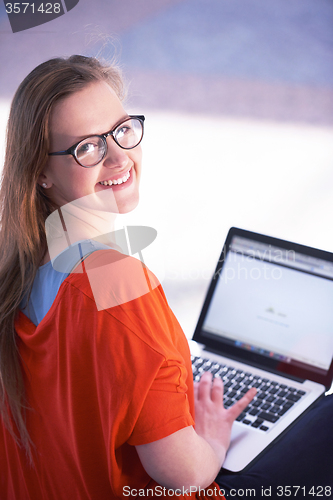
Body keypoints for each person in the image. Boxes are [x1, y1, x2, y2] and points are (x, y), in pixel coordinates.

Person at [0, 55, 332, 500]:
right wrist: (211, 435)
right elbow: (186, 475)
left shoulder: (15, 266)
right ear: (41, 171)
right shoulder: (119, 287)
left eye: (122, 131)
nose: (119, 157)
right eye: (87, 147)